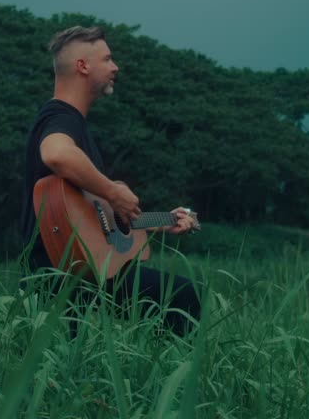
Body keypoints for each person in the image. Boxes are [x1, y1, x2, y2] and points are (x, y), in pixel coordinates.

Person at [19, 25, 201, 336]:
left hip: (76, 272)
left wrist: (162, 222)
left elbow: (95, 221)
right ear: (83, 66)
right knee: (182, 296)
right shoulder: (61, 117)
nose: (115, 67)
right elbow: (56, 154)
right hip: (62, 274)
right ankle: (169, 381)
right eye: (108, 59)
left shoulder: (75, 124)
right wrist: (113, 191)